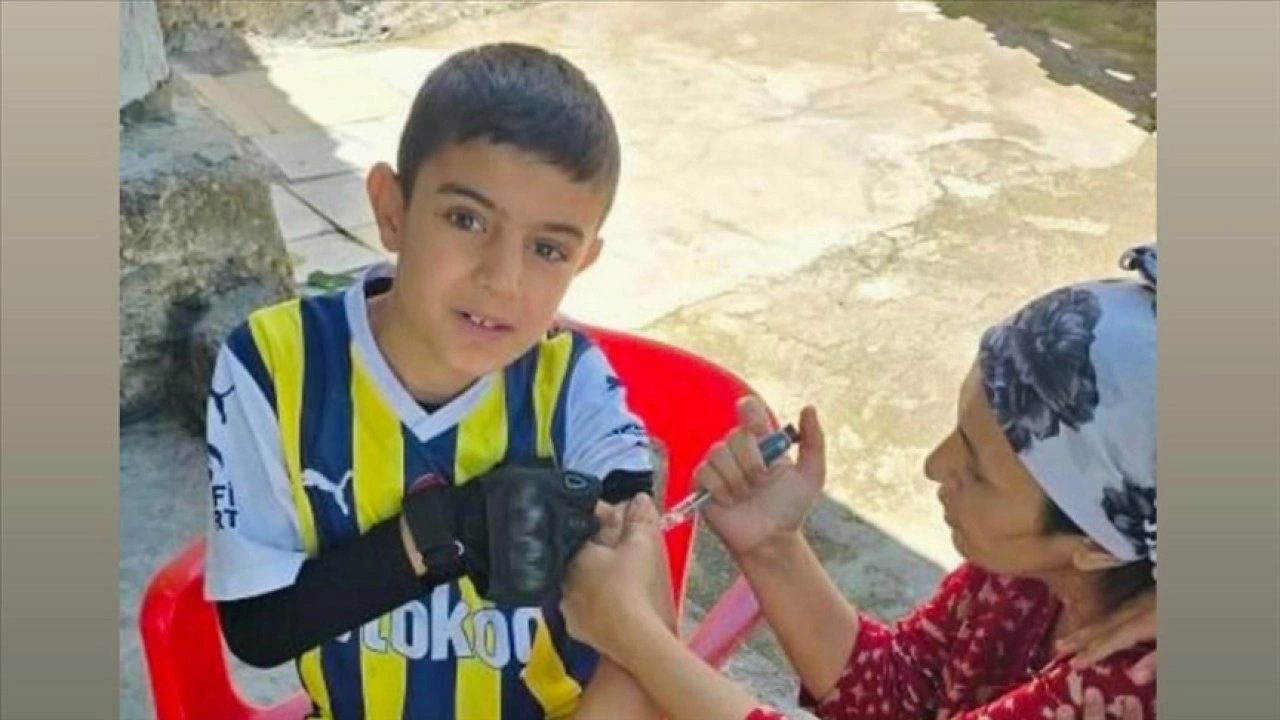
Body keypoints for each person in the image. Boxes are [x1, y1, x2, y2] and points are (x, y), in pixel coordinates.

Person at [202, 43, 664, 720]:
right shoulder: (273, 366)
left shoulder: (574, 387)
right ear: (392, 209)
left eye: (547, 249)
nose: (502, 279)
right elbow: (260, 628)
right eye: (467, 220)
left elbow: (645, 646)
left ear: (583, 261)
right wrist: (449, 529)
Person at [563, 246, 1159, 720]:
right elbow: (899, 691)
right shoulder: (1027, 575)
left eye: (977, 472)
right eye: (959, 432)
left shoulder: (1138, 682)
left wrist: (635, 637)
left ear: (1096, 544)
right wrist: (770, 544)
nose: (936, 466)